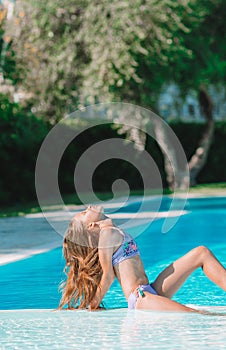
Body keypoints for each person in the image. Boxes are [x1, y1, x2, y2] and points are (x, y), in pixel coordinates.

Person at [58, 205, 226, 312]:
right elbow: (108, 276)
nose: (88, 207)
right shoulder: (106, 235)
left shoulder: (113, 230)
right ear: (90, 226)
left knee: (201, 253)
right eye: (84, 212)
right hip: (141, 298)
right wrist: (93, 305)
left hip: (151, 290)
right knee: (199, 316)